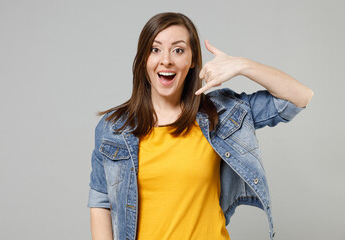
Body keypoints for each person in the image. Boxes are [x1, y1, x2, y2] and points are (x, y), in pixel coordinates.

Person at [87, 12, 314, 240]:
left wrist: (242, 65)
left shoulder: (220, 114)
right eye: (155, 49)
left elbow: (299, 97)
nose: (166, 60)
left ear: (193, 60)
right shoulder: (114, 128)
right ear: (143, 59)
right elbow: (100, 201)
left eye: (178, 50)